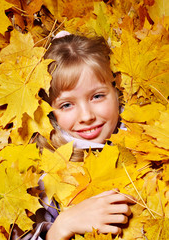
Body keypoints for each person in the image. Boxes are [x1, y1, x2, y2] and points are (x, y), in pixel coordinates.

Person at [13, 32, 135, 240]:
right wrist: (61, 227)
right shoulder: (42, 178)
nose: (87, 116)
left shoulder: (151, 139)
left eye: (97, 96)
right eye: (67, 105)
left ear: (116, 92)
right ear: (48, 112)